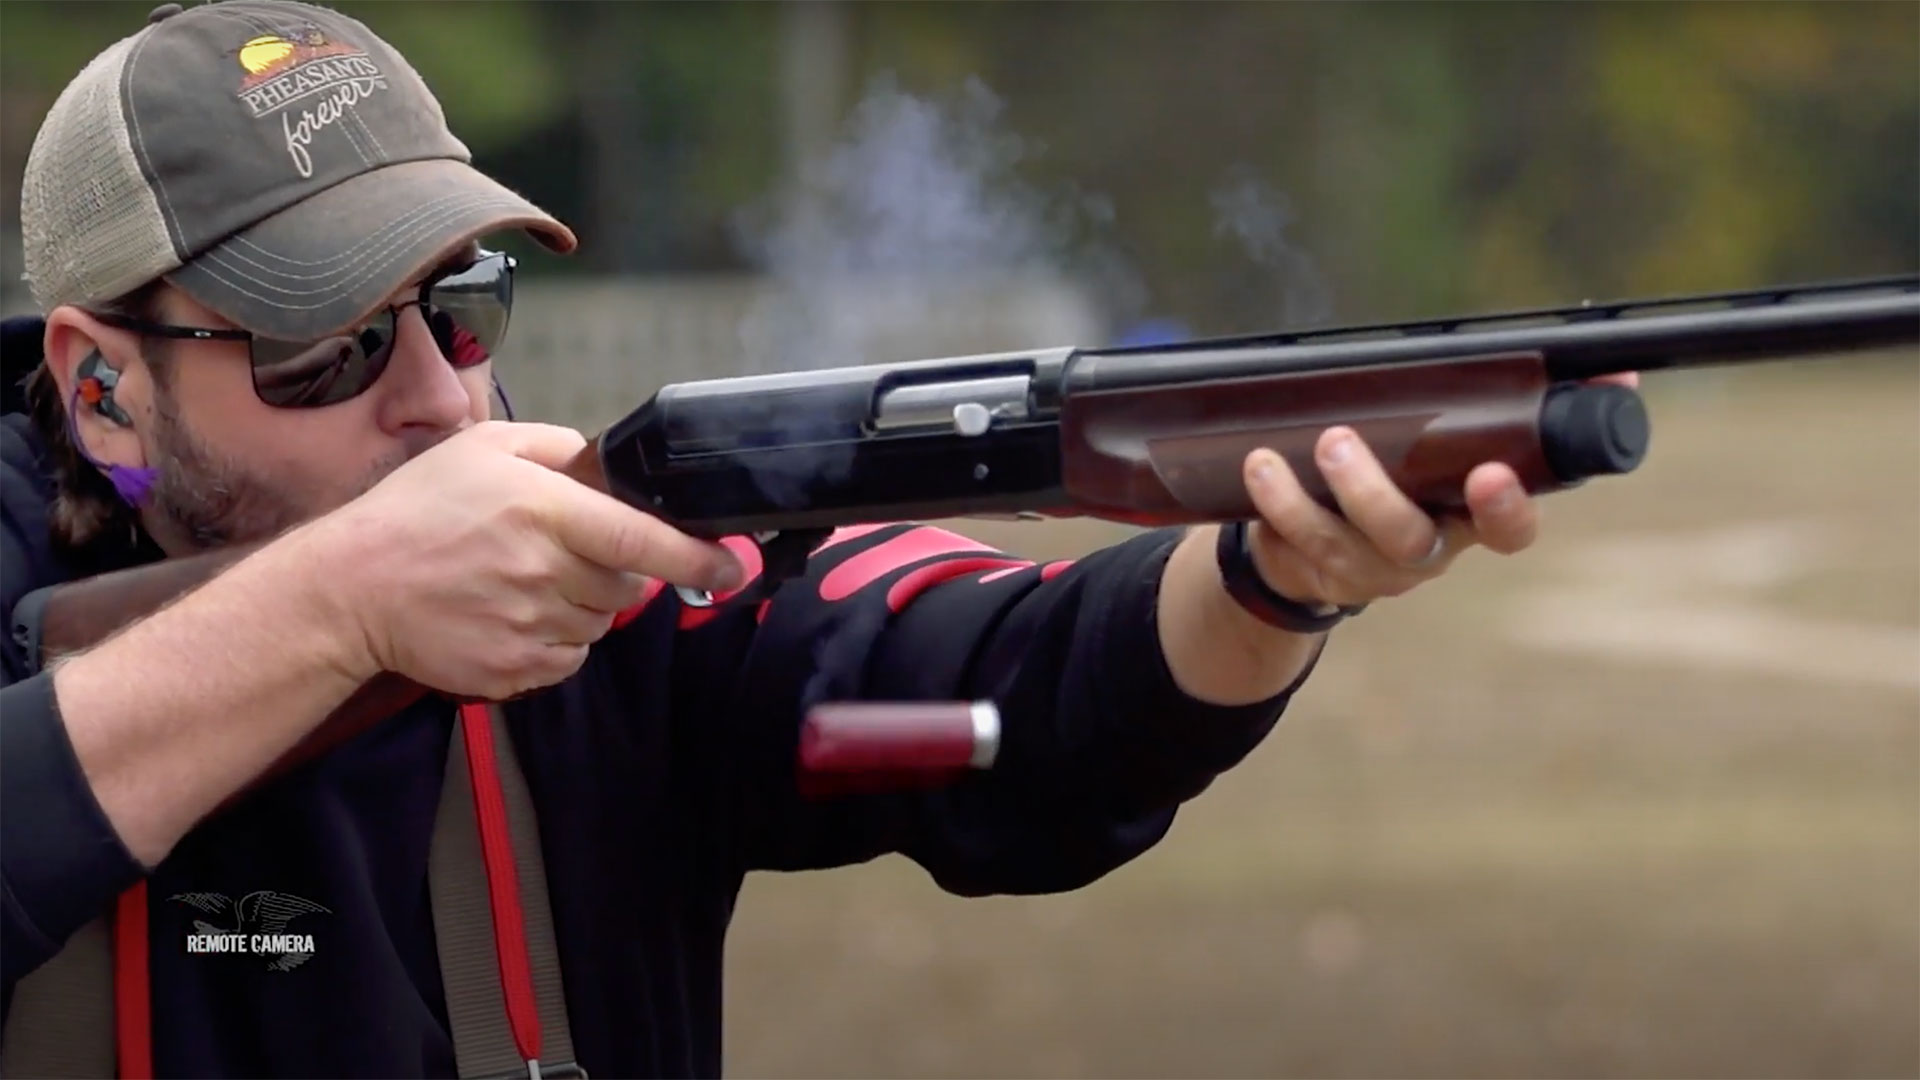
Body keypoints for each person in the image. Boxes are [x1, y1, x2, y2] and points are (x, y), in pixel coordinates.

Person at [0, 2, 1628, 1076]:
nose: (439, 400)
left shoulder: (588, 589)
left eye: (462, 308)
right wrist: (338, 609)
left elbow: (1006, 700)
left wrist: (1266, 576)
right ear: (100, 389)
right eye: (323, 351)